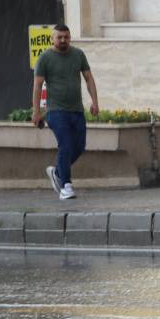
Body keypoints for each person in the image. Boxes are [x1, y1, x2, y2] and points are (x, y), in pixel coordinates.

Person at [31, 24, 100, 200]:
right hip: (56, 111)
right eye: (59, 37)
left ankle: (57, 171)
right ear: (53, 38)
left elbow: (88, 78)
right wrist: (36, 112)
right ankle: (66, 186)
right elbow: (38, 86)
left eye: (66, 37)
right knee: (66, 145)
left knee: (79, 147)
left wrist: (95, 102)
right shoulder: (45, 58)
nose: (63, 40)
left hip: (76, 110)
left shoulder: (78, 55)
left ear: (70, 37)